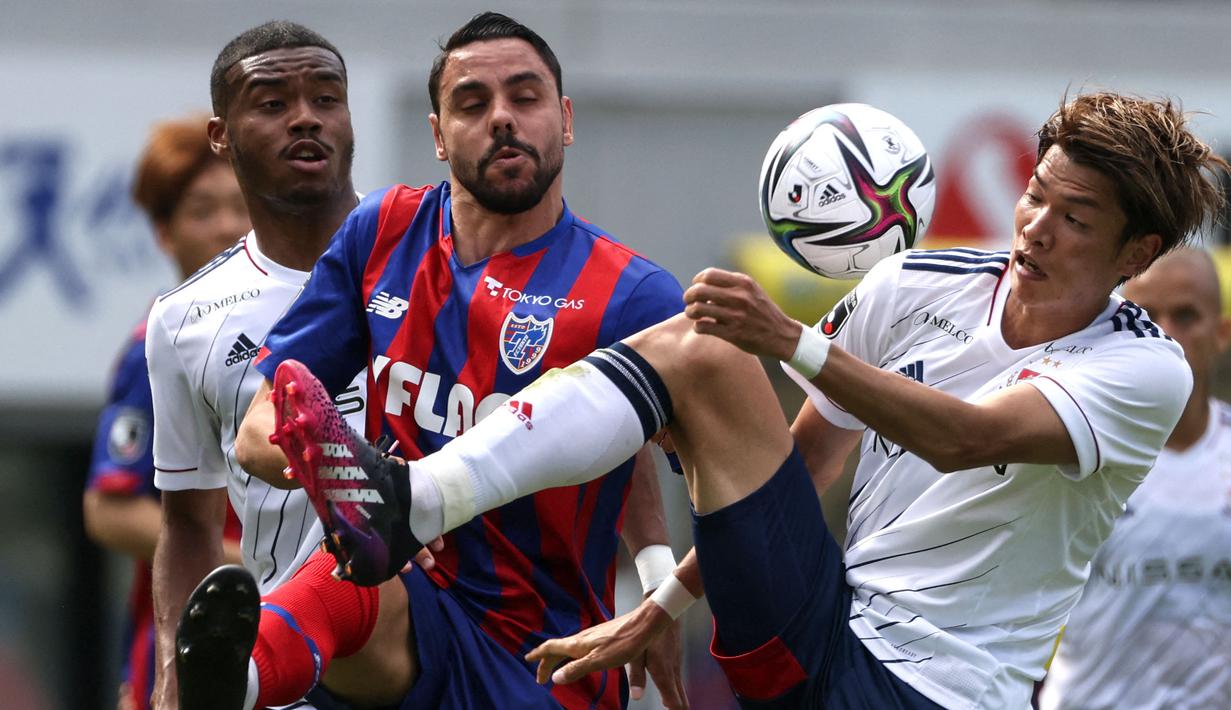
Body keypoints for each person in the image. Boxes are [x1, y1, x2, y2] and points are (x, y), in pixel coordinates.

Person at [270, 91, 1227, 708]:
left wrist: (793, 341)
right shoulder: (916, 286)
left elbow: (968, 440)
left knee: (733, 350)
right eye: (1035, 196)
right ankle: (413, 503)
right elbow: (805, 461)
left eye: (1076, 218)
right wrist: (662, 603)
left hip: (938, 692)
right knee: (707, 351)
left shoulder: (1143, 368)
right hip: (817, 624)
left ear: (1134, 255)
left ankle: (413, 502)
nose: (1037, 227)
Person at [183, 12, 686, 710]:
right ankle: (237, 679)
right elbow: (257, 428)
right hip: (411, 601)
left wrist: (662, 588)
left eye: (526, 97)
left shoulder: (634, 294)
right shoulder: (384, 230)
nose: (502, 119)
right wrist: (353, 483)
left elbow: (670, 462)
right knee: (354, 576)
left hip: (547, 650)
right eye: (472, 104)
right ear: (438, 136)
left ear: (565, 119)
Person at [145, 21, 373, 710]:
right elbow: (187, 524)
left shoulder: (431, 256)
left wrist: (649, 567)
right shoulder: (184, 319)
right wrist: (172, 670)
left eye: (326, 98)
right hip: (288, 675)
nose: (306, 117)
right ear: (222, 136)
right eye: (272, 103)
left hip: (449, 648)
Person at [83, 115, 249, 710]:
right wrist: (238, 565)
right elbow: (108, 508)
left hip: (286, 639)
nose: (227, 226)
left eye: (239, 205)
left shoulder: (306, 326)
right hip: (179, 651)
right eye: (202, 211)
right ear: (163, 233)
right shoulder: (154, 349)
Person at [1038, 247, 1231, 709]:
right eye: (1145, 315)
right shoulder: (1070, 454)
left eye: (1185, 315)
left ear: (1222, 334)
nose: (1165, 334)